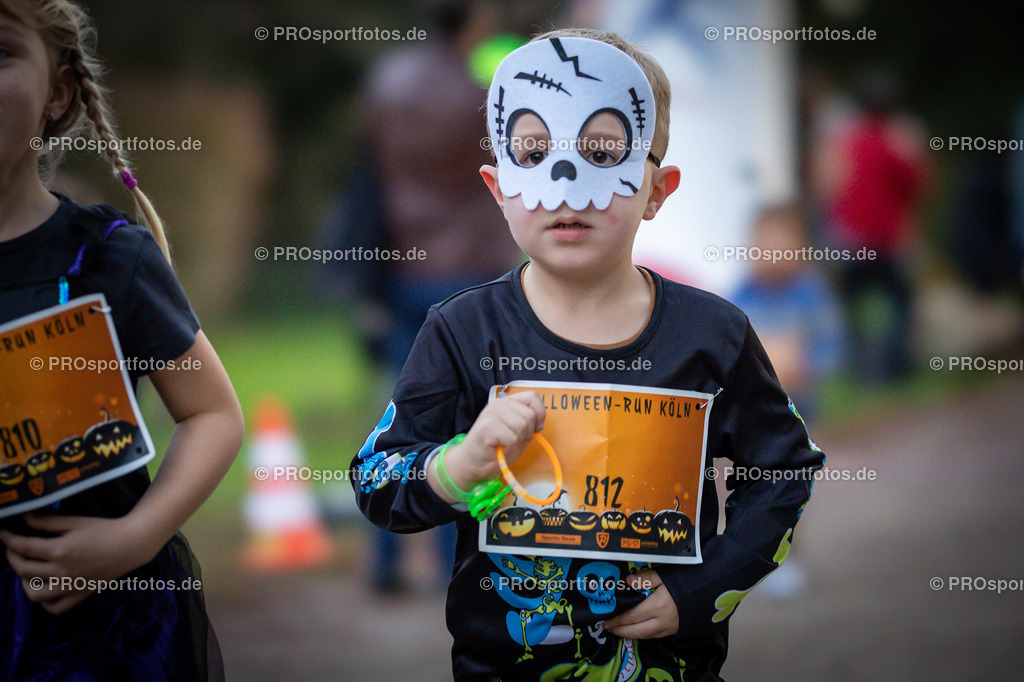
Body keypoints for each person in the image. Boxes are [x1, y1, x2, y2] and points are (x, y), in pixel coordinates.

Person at [351, 28, 823, 680]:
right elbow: (378, 479)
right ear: (497, 186)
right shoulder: (462, 333)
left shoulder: (713, 336)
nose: (566, 183)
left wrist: (700, 592)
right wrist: (457, 466)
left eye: (603, 153)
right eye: (534, 152)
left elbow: (782, 473)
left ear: (658, 190)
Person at [0, 1, 243, 679]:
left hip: (102, 634)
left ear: (58, 93)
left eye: (0, 52)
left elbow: (213, 414)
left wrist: (135, 539)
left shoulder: (111, 259)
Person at [325, 0, 520, 594]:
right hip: (471, 273)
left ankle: (384, 563)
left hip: (402, 270)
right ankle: (450, 564)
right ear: (477, 19)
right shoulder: (486, 89)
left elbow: (369, 175)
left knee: (401, 415)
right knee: (468, 422)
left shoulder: (391, 81)